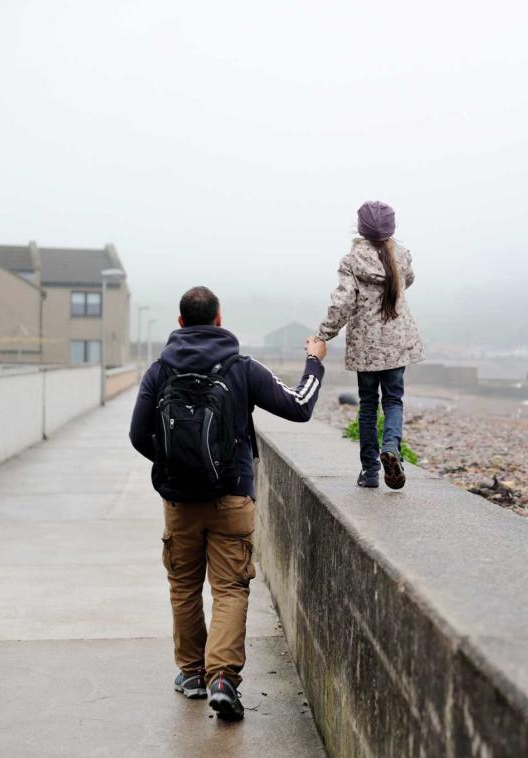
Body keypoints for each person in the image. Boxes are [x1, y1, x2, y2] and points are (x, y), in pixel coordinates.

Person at [128, 286, 326, 721]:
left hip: (179, 502)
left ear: (180, 323)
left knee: (183, 587)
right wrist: (314, 359)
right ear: (219, 320)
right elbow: (299, 407)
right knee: (230, 588)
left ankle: (193, 674)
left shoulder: (159, 370)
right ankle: (222, 678)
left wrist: (173, 464)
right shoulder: (241, 368)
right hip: (232, 497)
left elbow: (138, 435)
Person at [315, 201, 424, 489]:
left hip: (366, 347)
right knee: (393, 400)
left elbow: (343, 303)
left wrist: (322, 335)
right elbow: (408, 280)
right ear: (392, 228)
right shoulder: (402, 257)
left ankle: (371, 471)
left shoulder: (352, 261)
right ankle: (391, 446)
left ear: (360, 227)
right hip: (397, 342)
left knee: (367, 406)